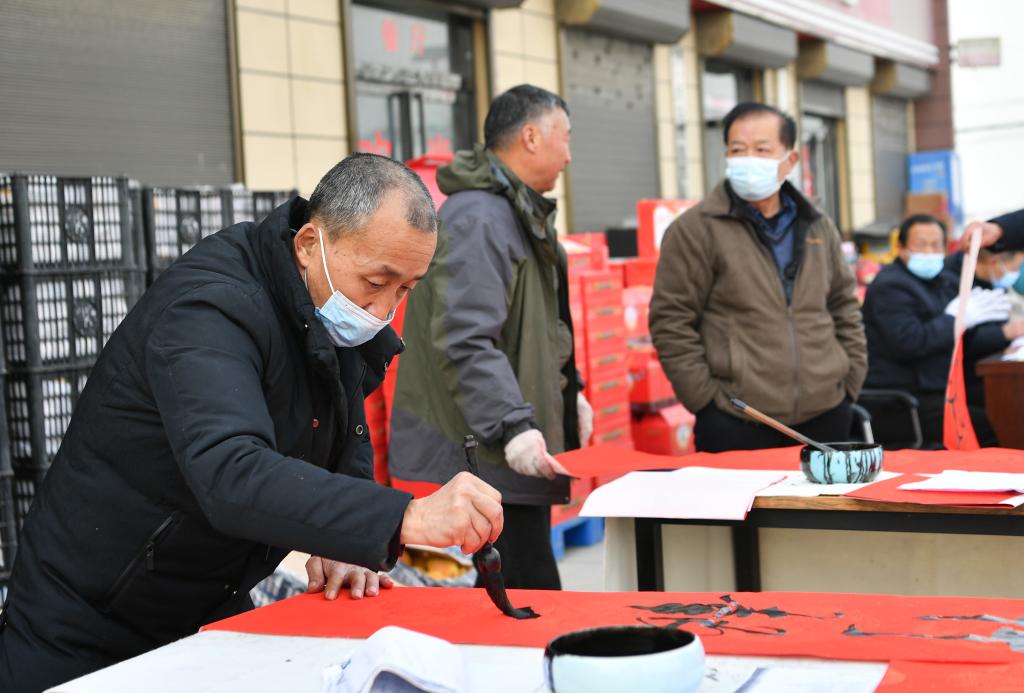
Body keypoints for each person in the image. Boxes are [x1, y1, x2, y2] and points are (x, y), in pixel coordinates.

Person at [0, 154, 505, 692]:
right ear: (310, 244)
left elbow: (344, 421)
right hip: (89, 623)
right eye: (377, 281)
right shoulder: (209, 308)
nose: (384, 309)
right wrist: (401, 517)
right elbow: (230, 471)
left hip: (206, 603)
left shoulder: (327, 304)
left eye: (406, 288)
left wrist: (344, 541)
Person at [389, 85, 590, 591]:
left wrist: (574, 392)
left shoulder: (518, 213)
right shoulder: (481, 217)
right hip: (487, 449)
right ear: (530, 136)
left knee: (518, 588)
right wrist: (512, 426)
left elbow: (545, 327)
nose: (569, 155)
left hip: (507, 446)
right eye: (564, 139)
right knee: (527, 594)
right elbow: (465, 338)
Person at [650, 102, 867, 452]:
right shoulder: (695, 230)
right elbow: (671, 321)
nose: (748, 158)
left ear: (790, 160)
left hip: (827, 412)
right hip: (737, 419)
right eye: (738, 150)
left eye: (762, 149)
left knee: (823, 509)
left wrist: (849, 380)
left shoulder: (817, 225)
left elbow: (844, 305)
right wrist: (706, 401)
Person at [861, 214, 1023, 448]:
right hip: (903, 398)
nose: (929, 251)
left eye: (936, 245)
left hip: (940, 387)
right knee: (989, 421)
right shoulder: (890, 285)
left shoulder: (941, 282)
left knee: (1009, 403)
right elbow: (910, 342)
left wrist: (1002, 335)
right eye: (921, 244)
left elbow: (964, 341)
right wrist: (954, 319)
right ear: (901, 248)